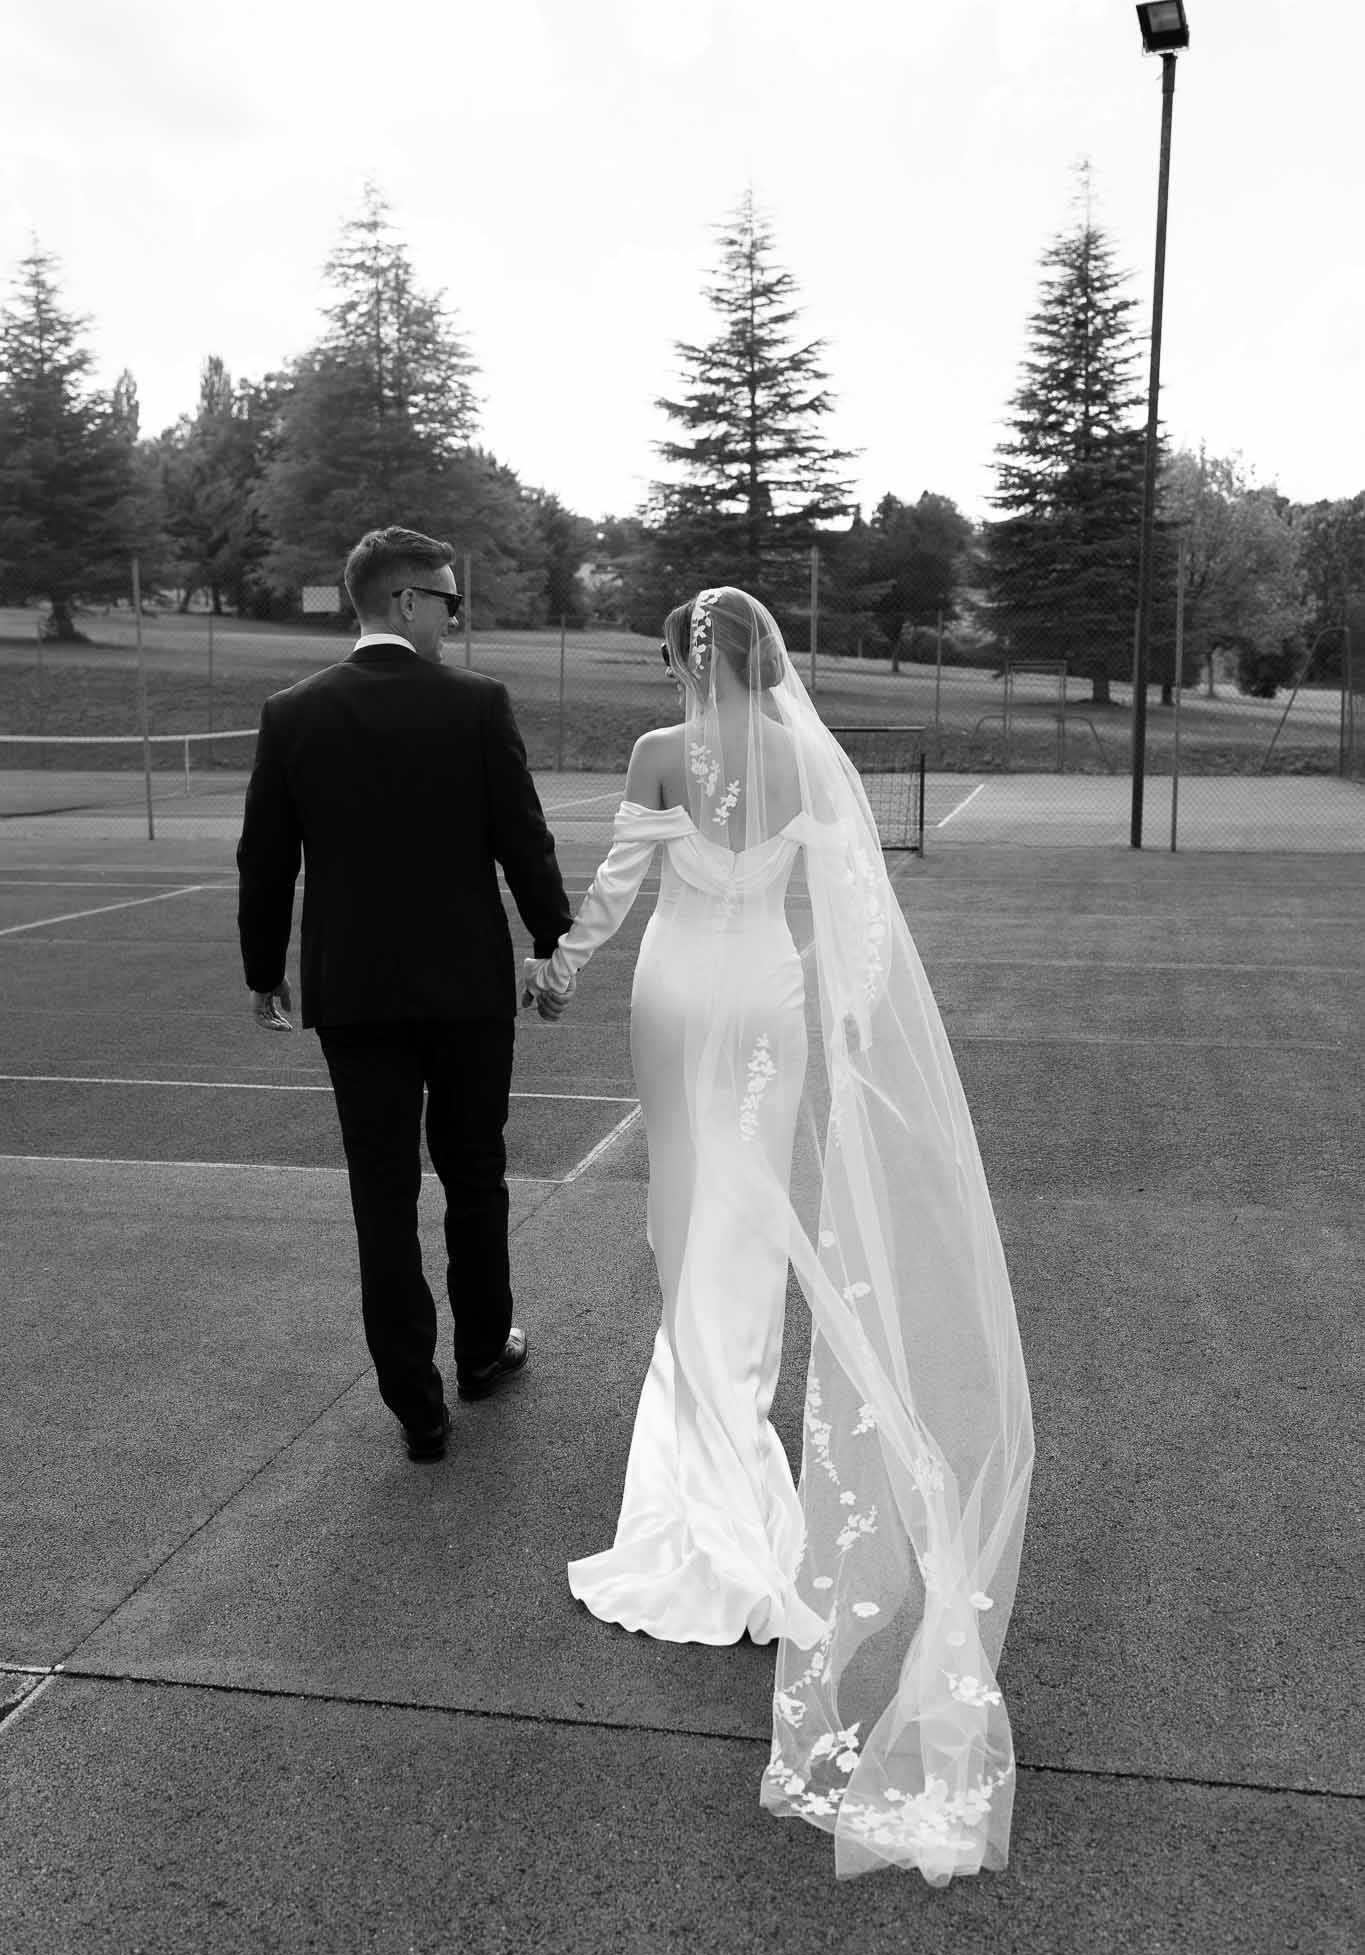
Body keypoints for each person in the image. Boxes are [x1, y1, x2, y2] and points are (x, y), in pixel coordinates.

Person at [524, 587, 1033, 1884]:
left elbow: (619, 889)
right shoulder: (809, 755)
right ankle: (729, 1446)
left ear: (685, 662)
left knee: (683, 1225)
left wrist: (562, 965)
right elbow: (853, 917)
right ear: (772, 659)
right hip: (768, 1003)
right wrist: (854, 1014)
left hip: (676, 999)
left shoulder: (654, 755)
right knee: (746, 1230)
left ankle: (700, 1483)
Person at [236, 526, 573, 1460]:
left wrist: (265, 971)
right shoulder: (475, 705)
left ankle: (416, 1408)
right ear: (403, 602)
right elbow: (523, 840)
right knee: (475, 1175)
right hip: (465, 990)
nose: (457, 615)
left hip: (356, 998)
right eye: (449, 599)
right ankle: (479, 1351)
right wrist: (553, 945)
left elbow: (264, 863)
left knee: (380, 1195)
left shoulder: (292, 713)